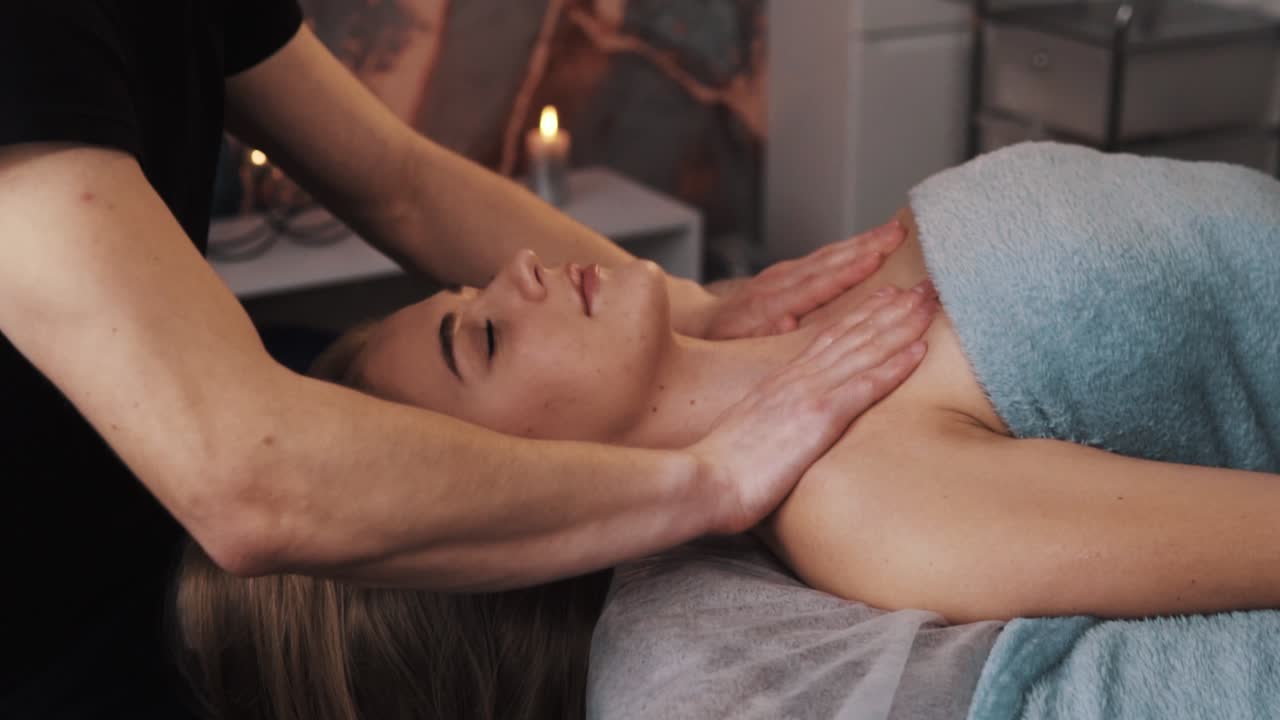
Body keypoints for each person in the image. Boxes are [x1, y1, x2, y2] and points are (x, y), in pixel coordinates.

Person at [0, 3, 934, 717]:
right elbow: (252, 480)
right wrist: (706, 483)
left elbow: (397, 180)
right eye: (479, 338)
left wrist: (689, 304)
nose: (517, 274)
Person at [172, 142, 1280, 719]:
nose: (515, 270)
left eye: (470, 290)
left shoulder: (805, 302)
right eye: (486, 340)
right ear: (511, 477)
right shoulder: (866, 504)